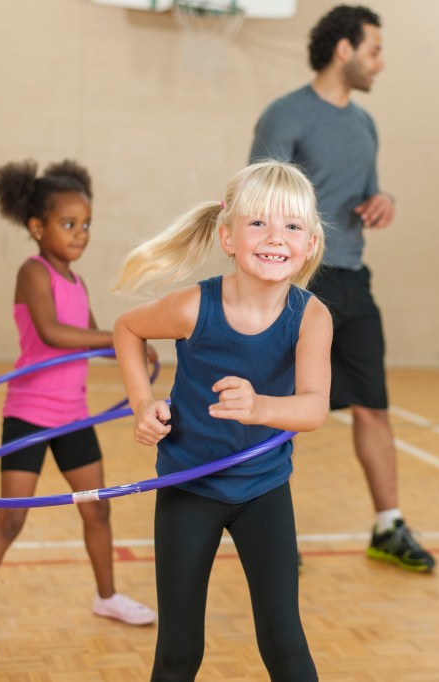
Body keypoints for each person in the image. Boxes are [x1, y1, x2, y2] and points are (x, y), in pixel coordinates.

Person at [112, 161, 332, 681]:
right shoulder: (194, 307)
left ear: (310, 244)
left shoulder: (311, 317)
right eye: (258, 223)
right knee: (179, 650)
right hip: (189, 487)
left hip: (263, 489)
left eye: (292, 226)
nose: (275, 237)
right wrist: (142, 403)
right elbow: (127, 329)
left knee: (285, 644)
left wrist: (260, 408)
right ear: (228, 237)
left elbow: (313, 407)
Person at [249, 4, 435, 573]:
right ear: (344, 49)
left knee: (373, 406)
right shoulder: (285, 115)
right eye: (374, 50)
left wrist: (384, 201)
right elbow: (257, 200)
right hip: (298, 284)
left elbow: (369, 190)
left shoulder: (365, 124)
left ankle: (389, 526)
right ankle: (267, 531)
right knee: (284, 410)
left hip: (353, 281)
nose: (381, 62)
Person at [0, 160, 157, 660]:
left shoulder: (78, 282)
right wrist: (122, 333)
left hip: (74, 417)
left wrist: (133, 349)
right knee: (11, 520)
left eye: (86, 224)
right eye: (68, 224)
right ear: (37, 227)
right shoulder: (32, 272)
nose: (80, 233)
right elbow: (55, 334)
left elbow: (94, 344)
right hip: (29, 416)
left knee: (96, 508)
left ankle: (107, 596)